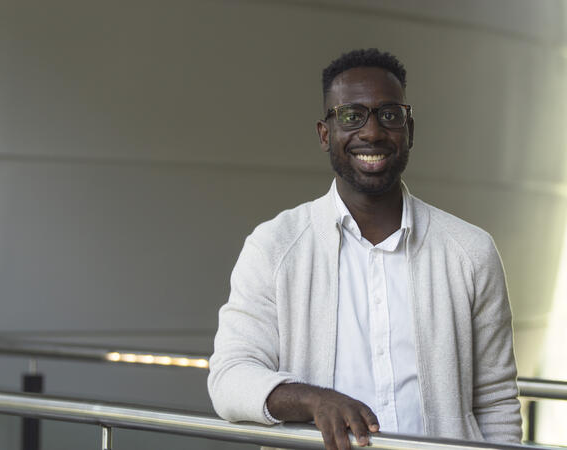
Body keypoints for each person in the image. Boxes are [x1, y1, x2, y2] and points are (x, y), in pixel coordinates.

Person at [207, 49, 522, 450]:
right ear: (325, 134)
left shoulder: (470, 251)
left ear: (409, 129)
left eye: (389, 115)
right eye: (351, 116)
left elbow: (496, 401)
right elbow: (229, 378)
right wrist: (311, 399)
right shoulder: (274, 246)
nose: (371, 132)